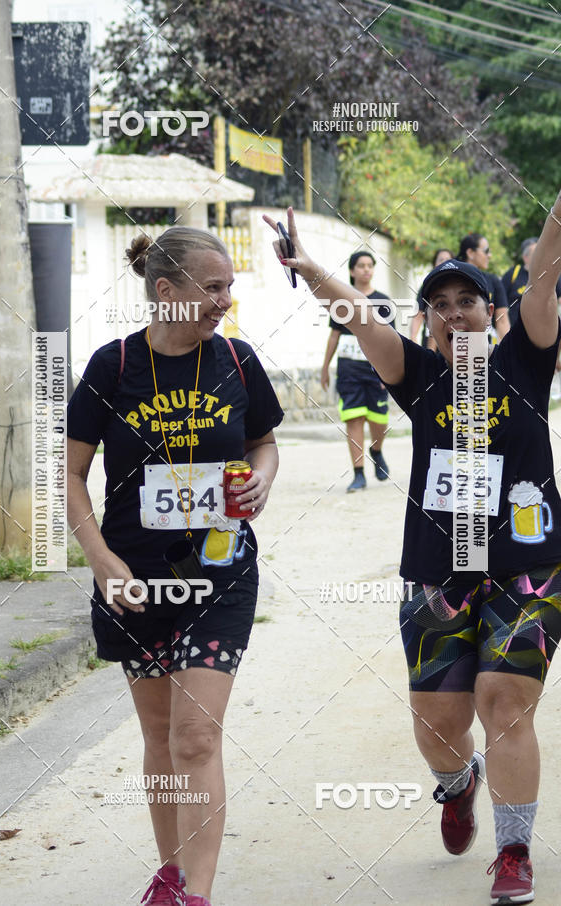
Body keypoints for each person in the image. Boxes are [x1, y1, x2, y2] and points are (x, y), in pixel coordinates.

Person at [265, 202, 561, 905]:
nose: (454, 314)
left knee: (504, 700)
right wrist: (309, 268)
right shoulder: (420, 375)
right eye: (440, 306)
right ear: (427, 322)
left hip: (527, 565)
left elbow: (546, 271)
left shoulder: (525, 356)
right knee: (439, 720)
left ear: (493, 313)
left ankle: (513, 850)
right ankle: (458, 784)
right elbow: (358, 317)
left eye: (467, 302)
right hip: (438, 569)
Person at [67, 227, 283, 906]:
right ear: (167, 290)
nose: (226, 300)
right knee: (161, 737)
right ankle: (171, 869)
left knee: (194, 736)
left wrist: (263, 478)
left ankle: (197, 892)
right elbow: (69, 475)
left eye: (229, 287)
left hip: (221, 575)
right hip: (136, 580)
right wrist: (101, 560)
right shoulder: (113, 366)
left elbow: (264, 443)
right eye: (213, 287)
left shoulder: (237, 361)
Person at [320, 250, 390, 491]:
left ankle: (376, 450)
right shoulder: (342, 300)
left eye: (370, 265)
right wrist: (325, 368)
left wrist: (387, 371)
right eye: (361, 265)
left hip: (375, 370)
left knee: (379, 420)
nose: (366, 269)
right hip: (349, 370)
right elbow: (334, 336)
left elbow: (390, 339)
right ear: (352, 270)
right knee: (354, 419)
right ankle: (358, 473)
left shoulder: (383, 301)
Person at [458, 233, 511, 340]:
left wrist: (507, 348)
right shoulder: (452, 279)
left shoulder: (493, 281)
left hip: (483, 345)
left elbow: (502, 320)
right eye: (486, 251)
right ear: (470, 253)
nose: (489, 255)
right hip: (455, 342)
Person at [502, 237, 561, 326]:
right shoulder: (512, 274)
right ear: (525, 257)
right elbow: (500, 306)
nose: (542, 257)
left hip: (544, 329)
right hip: (516, 329)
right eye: (537, 253)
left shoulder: (551, 275)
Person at [411, 248, 453, 351]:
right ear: (434, 264)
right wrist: (413, 337)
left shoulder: (459, 287)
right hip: (430, 343)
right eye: (441, 260)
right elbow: (418, 314)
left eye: (448, 260)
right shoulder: (427, 286)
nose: (444, 262)